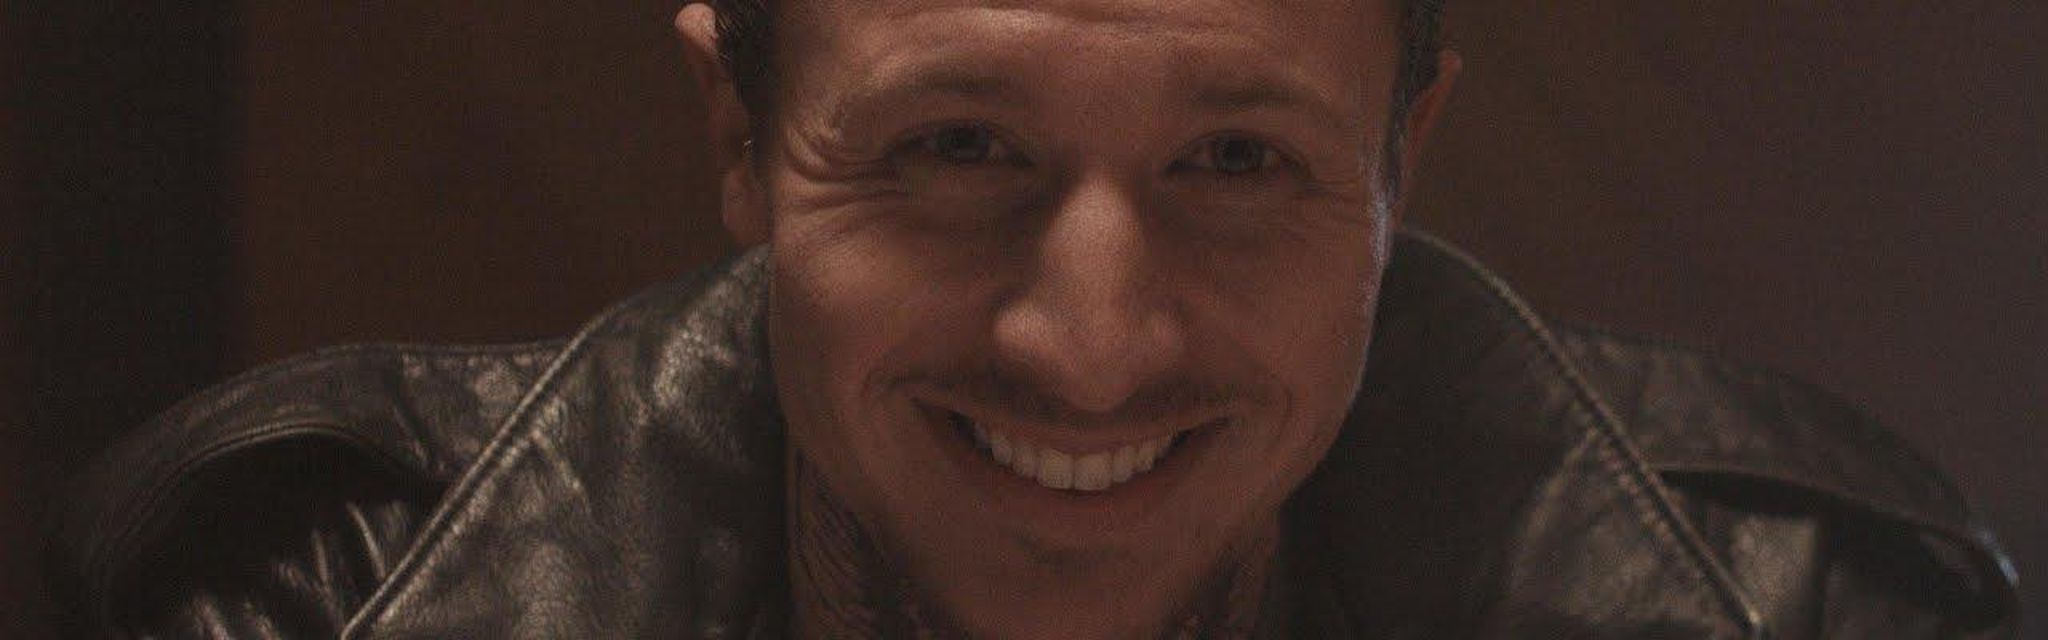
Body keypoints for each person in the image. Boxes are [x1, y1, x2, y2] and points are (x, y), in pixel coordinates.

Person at [47, 0, 2019, 637]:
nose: (1090, 351)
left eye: (1235, 160)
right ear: (739, 135)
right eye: (959, 148)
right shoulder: (308, 599)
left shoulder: (1812, 610)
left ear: (1397, 159)